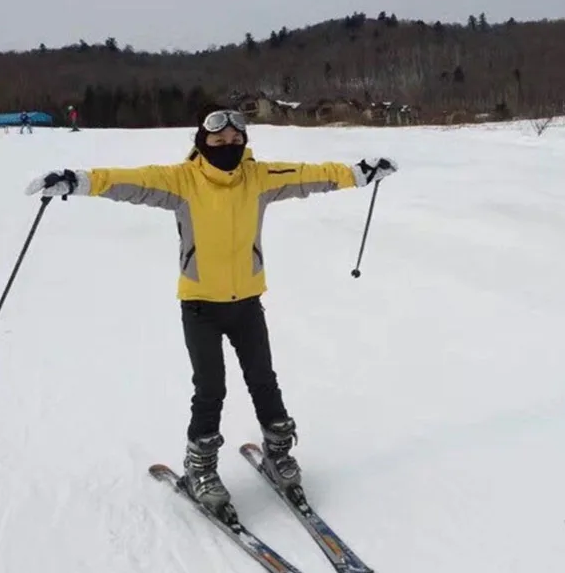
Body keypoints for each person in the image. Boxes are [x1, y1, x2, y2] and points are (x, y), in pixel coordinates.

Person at [24, 106, 398, 511]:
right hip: (200, 304)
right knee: (210, 388)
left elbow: (311, 175)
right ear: (203, 143)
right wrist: (76, 181)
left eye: (235, 142)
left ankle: (278, 452)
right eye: (218, 142)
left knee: (263, 380)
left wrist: (359, 173)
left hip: (248, 302)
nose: (228, 148)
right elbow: (126, 181)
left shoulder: (260, 178)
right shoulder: (181, 181)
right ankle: (200, 466)